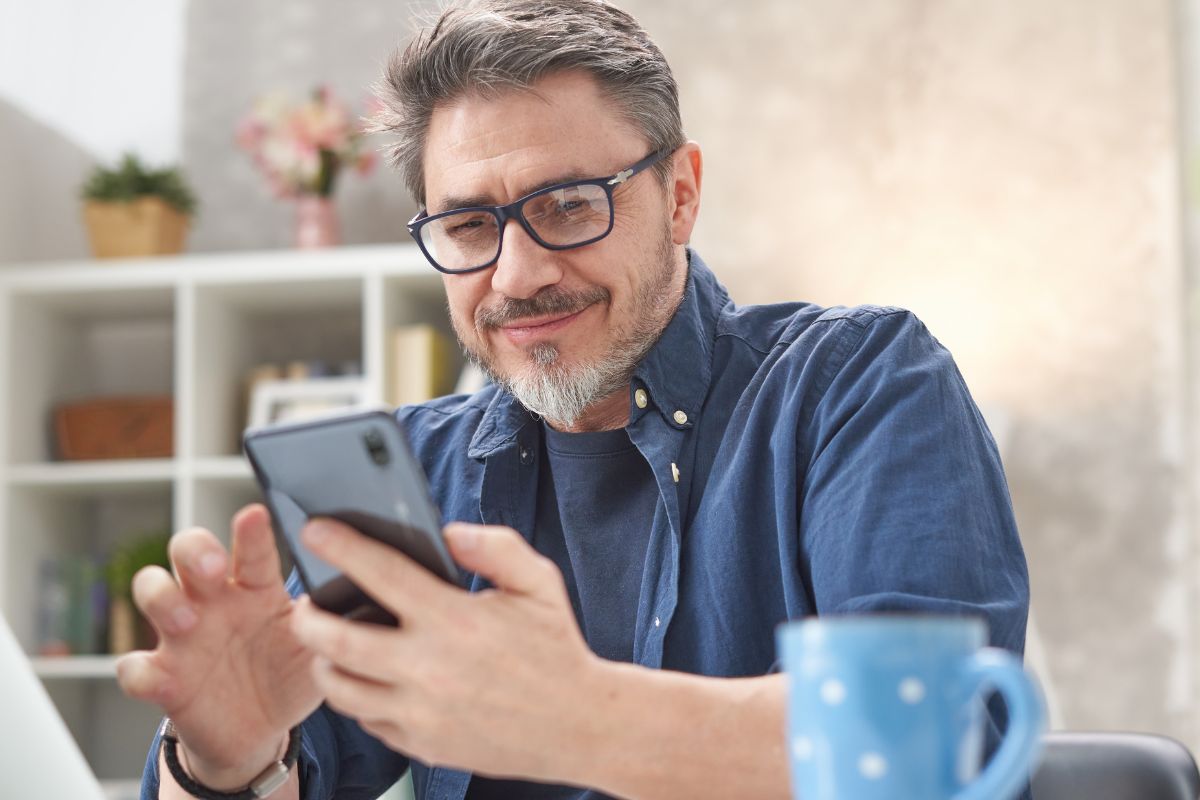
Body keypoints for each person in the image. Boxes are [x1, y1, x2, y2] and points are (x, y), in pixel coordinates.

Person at [118, 1, 1030, 798]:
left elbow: (931, 749)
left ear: (680, 196)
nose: (516, 275)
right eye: (470, 226)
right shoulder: (413, 470)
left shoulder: (857, 383)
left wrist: (575, 718)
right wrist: (228, 759)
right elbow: (280, 774)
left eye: (567, 206)